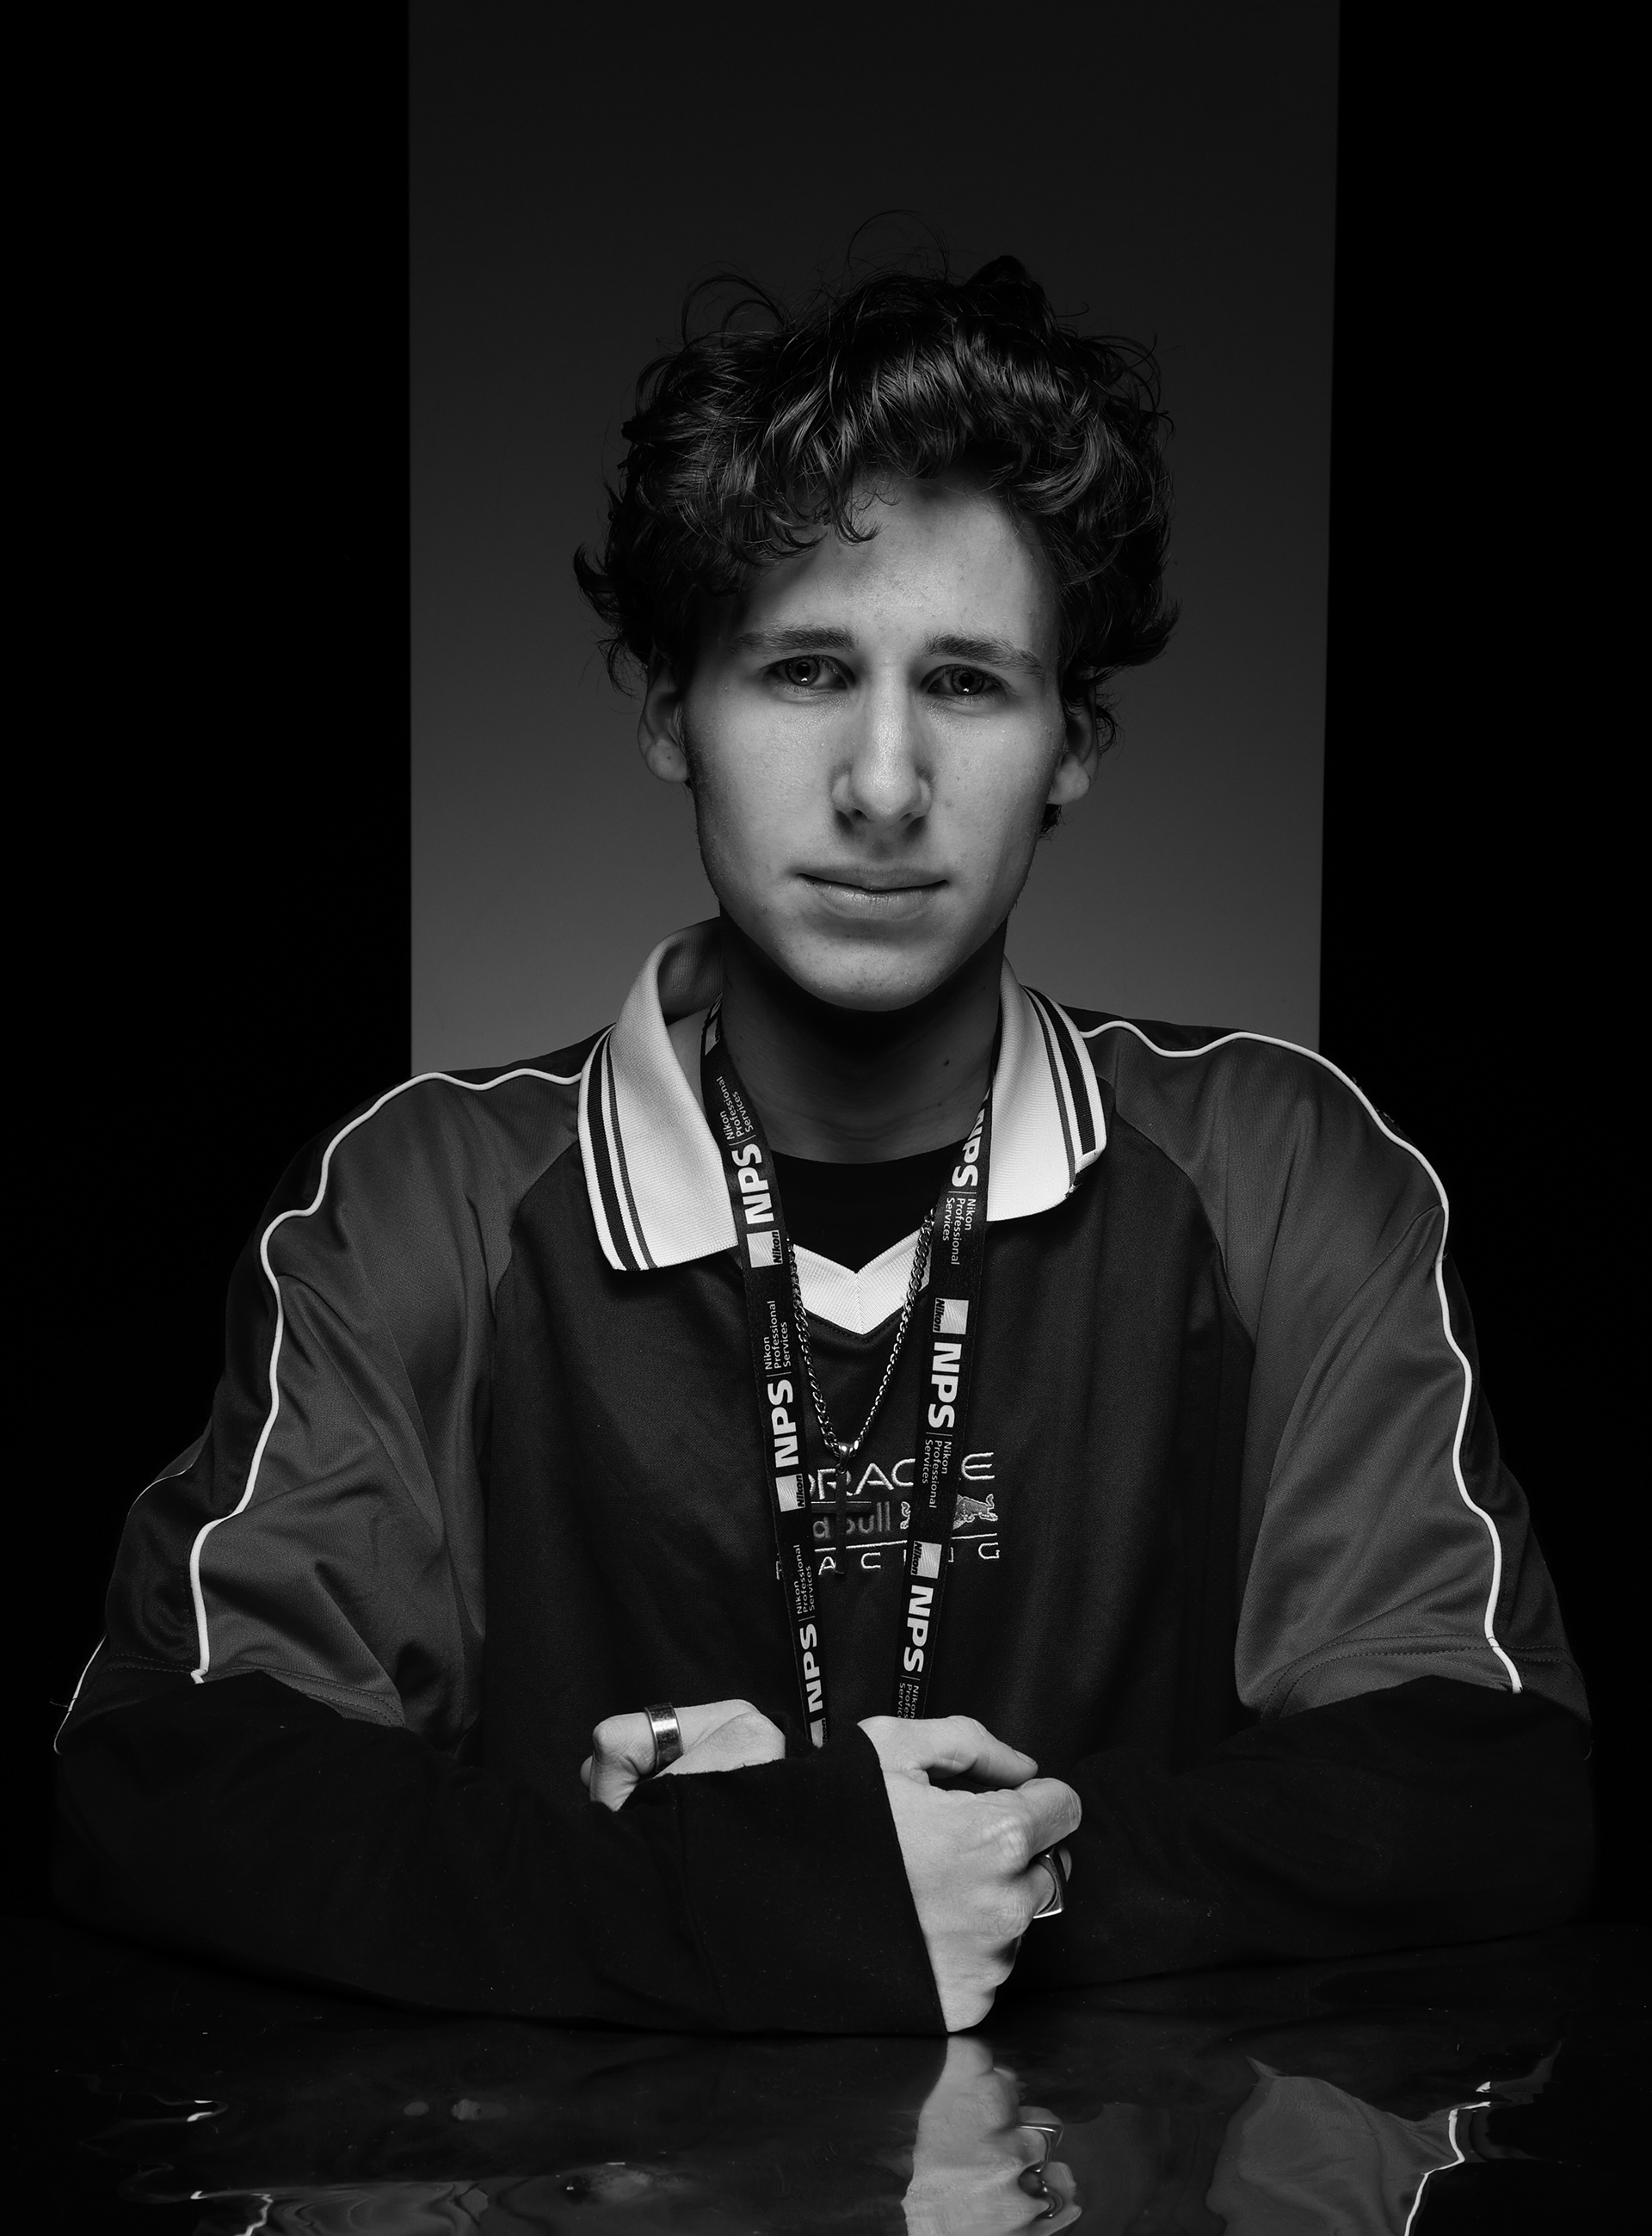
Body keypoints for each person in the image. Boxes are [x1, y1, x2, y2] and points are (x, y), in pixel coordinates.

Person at [54, 258, 1592, 2034]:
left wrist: (955, 1883)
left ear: (1074, 744)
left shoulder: (1286, 1168)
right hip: (578, 2213)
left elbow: (1480, 1776)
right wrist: (753, 1898)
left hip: (1121, 2213)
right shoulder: (420, 1203)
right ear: (668, 711)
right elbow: (170, 1779)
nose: (881, 783)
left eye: (969, 683)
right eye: (801, 669)